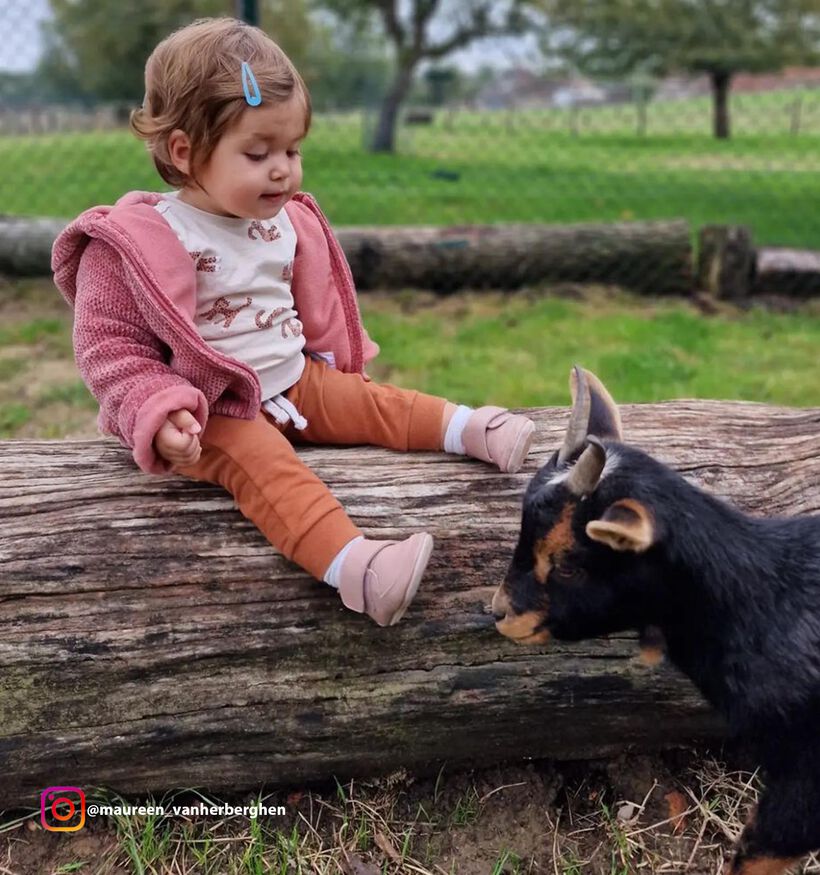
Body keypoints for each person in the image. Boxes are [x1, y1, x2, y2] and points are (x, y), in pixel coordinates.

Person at [52, 17, 535, 627]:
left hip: (291, 380)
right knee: (266, 465)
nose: (283, 169)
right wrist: (157, 408)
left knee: (369, 401)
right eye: (258, 153)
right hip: (209, 410)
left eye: (293, 150)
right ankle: (356, 569)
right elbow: (110, 350)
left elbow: (308, 307)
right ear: (183, 151)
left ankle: (466, 428)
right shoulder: (140, 240)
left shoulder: (283, 218)